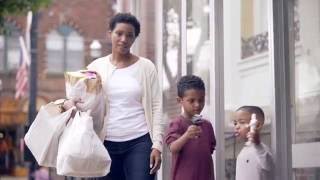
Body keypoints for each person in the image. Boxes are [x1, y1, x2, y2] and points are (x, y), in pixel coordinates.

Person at [63, 13, 163, 180]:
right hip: (105, 143)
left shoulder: (146, 67)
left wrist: (157, 145)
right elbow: (83, 99)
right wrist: (70, 103)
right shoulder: (96, 67)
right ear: (110, 33)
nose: (124, 39)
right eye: (119, 33)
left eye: (130, 35)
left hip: (140, 141)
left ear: (135, 38)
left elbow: (156, 106)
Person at [165, 75, 216, 180]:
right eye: (191, 101)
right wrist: (186, 136)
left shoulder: (207, 126)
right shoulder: (177, 123)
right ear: (180, 101)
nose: (197, 104)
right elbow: (172, 148)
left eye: (201, 100)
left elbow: (209, 152)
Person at [234, 106, 274, 180]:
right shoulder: (243, 152)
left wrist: (257, 142)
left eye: (242, 122)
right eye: (235, 123)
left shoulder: (262, 150)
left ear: (257, 125)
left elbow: (268, 164)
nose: (237, 126)